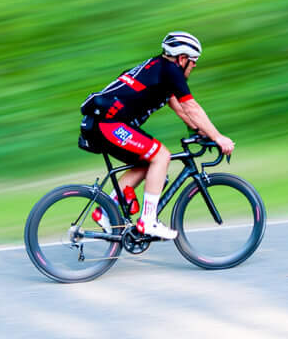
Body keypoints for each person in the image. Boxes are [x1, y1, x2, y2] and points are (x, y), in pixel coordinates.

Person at [79, 32, 235, 241]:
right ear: (182, 58)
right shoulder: (171, 72)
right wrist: (218, 137)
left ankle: (106, 210)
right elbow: (191, 106)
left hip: (105, 124)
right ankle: (148, 221)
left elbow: (182, 110)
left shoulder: (159, 69)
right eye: (193, 61)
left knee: (147, 163)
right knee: (161, 156)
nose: (195, 66)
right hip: (109, 124)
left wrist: (200, 132)